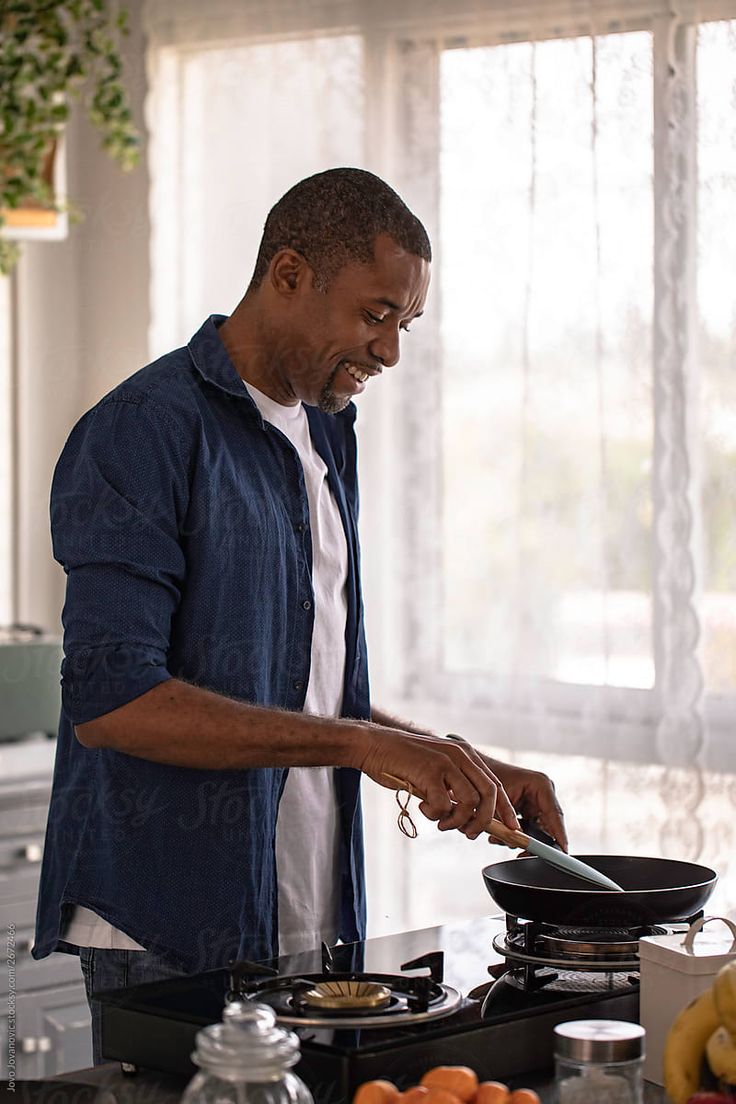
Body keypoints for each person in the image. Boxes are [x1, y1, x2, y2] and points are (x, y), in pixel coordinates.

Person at [32, 168, 566, 1063]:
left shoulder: (325, 431)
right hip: (167, 928)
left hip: (306, 909)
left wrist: (453, 757)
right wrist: (363, 747)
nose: (391, 352)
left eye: (406, 322)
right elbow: (113, 702)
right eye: (375, 314)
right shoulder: (144, 428)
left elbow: (310, 683)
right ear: (288, 274)